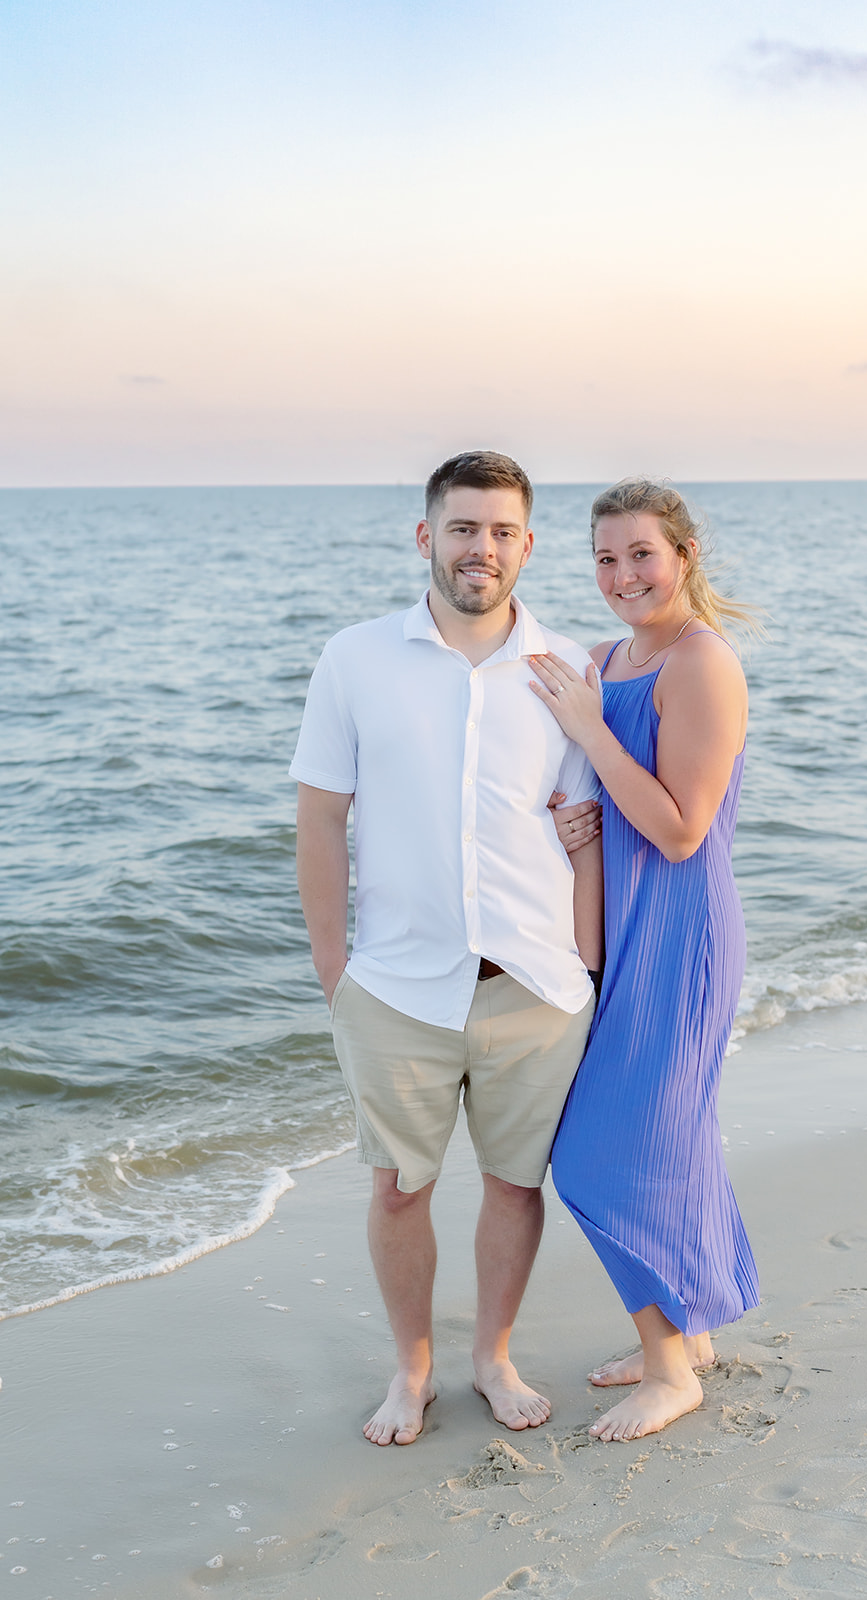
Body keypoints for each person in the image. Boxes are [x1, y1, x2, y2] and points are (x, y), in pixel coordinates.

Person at [290, 451, 601, 1447]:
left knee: (515, 1181)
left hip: (533, 984)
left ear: (528, 544)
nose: (483, 547)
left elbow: (584, 823)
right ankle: (412, 1367)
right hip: (392, 985)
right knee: (398, 1185)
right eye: (464, 528)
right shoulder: (355, 658)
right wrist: (334, 968)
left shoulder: (567, 669)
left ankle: (491, 1357)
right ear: (427, 537)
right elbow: (318, 818)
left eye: (503, 530)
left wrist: (586, 966)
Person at [530, 477, 760, 1443]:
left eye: (641, 554)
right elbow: (592, 803)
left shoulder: (701, 664)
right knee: (674, 1144)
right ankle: (690, 1331)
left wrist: (587, 730)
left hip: (681, 936)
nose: (622, 574)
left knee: (600, 1159)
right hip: (613, 935)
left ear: (684, 556)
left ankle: (670, 1372)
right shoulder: (601, 658)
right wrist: (565, 826)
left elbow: (676, 831)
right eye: (604, 557)